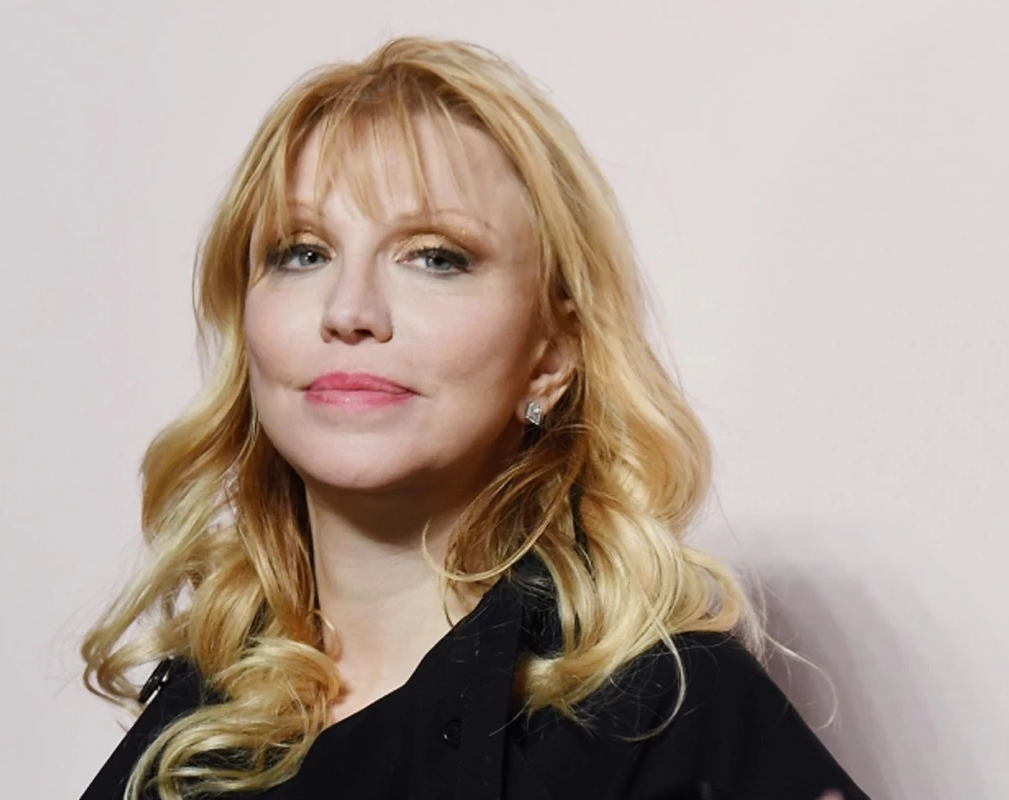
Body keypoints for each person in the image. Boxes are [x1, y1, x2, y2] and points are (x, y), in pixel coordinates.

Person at [77, 36, 868, 800]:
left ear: (552, 352)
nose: (349, 311)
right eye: (303, 252)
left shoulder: (663, 714)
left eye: (435, 256)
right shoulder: (195, 727)